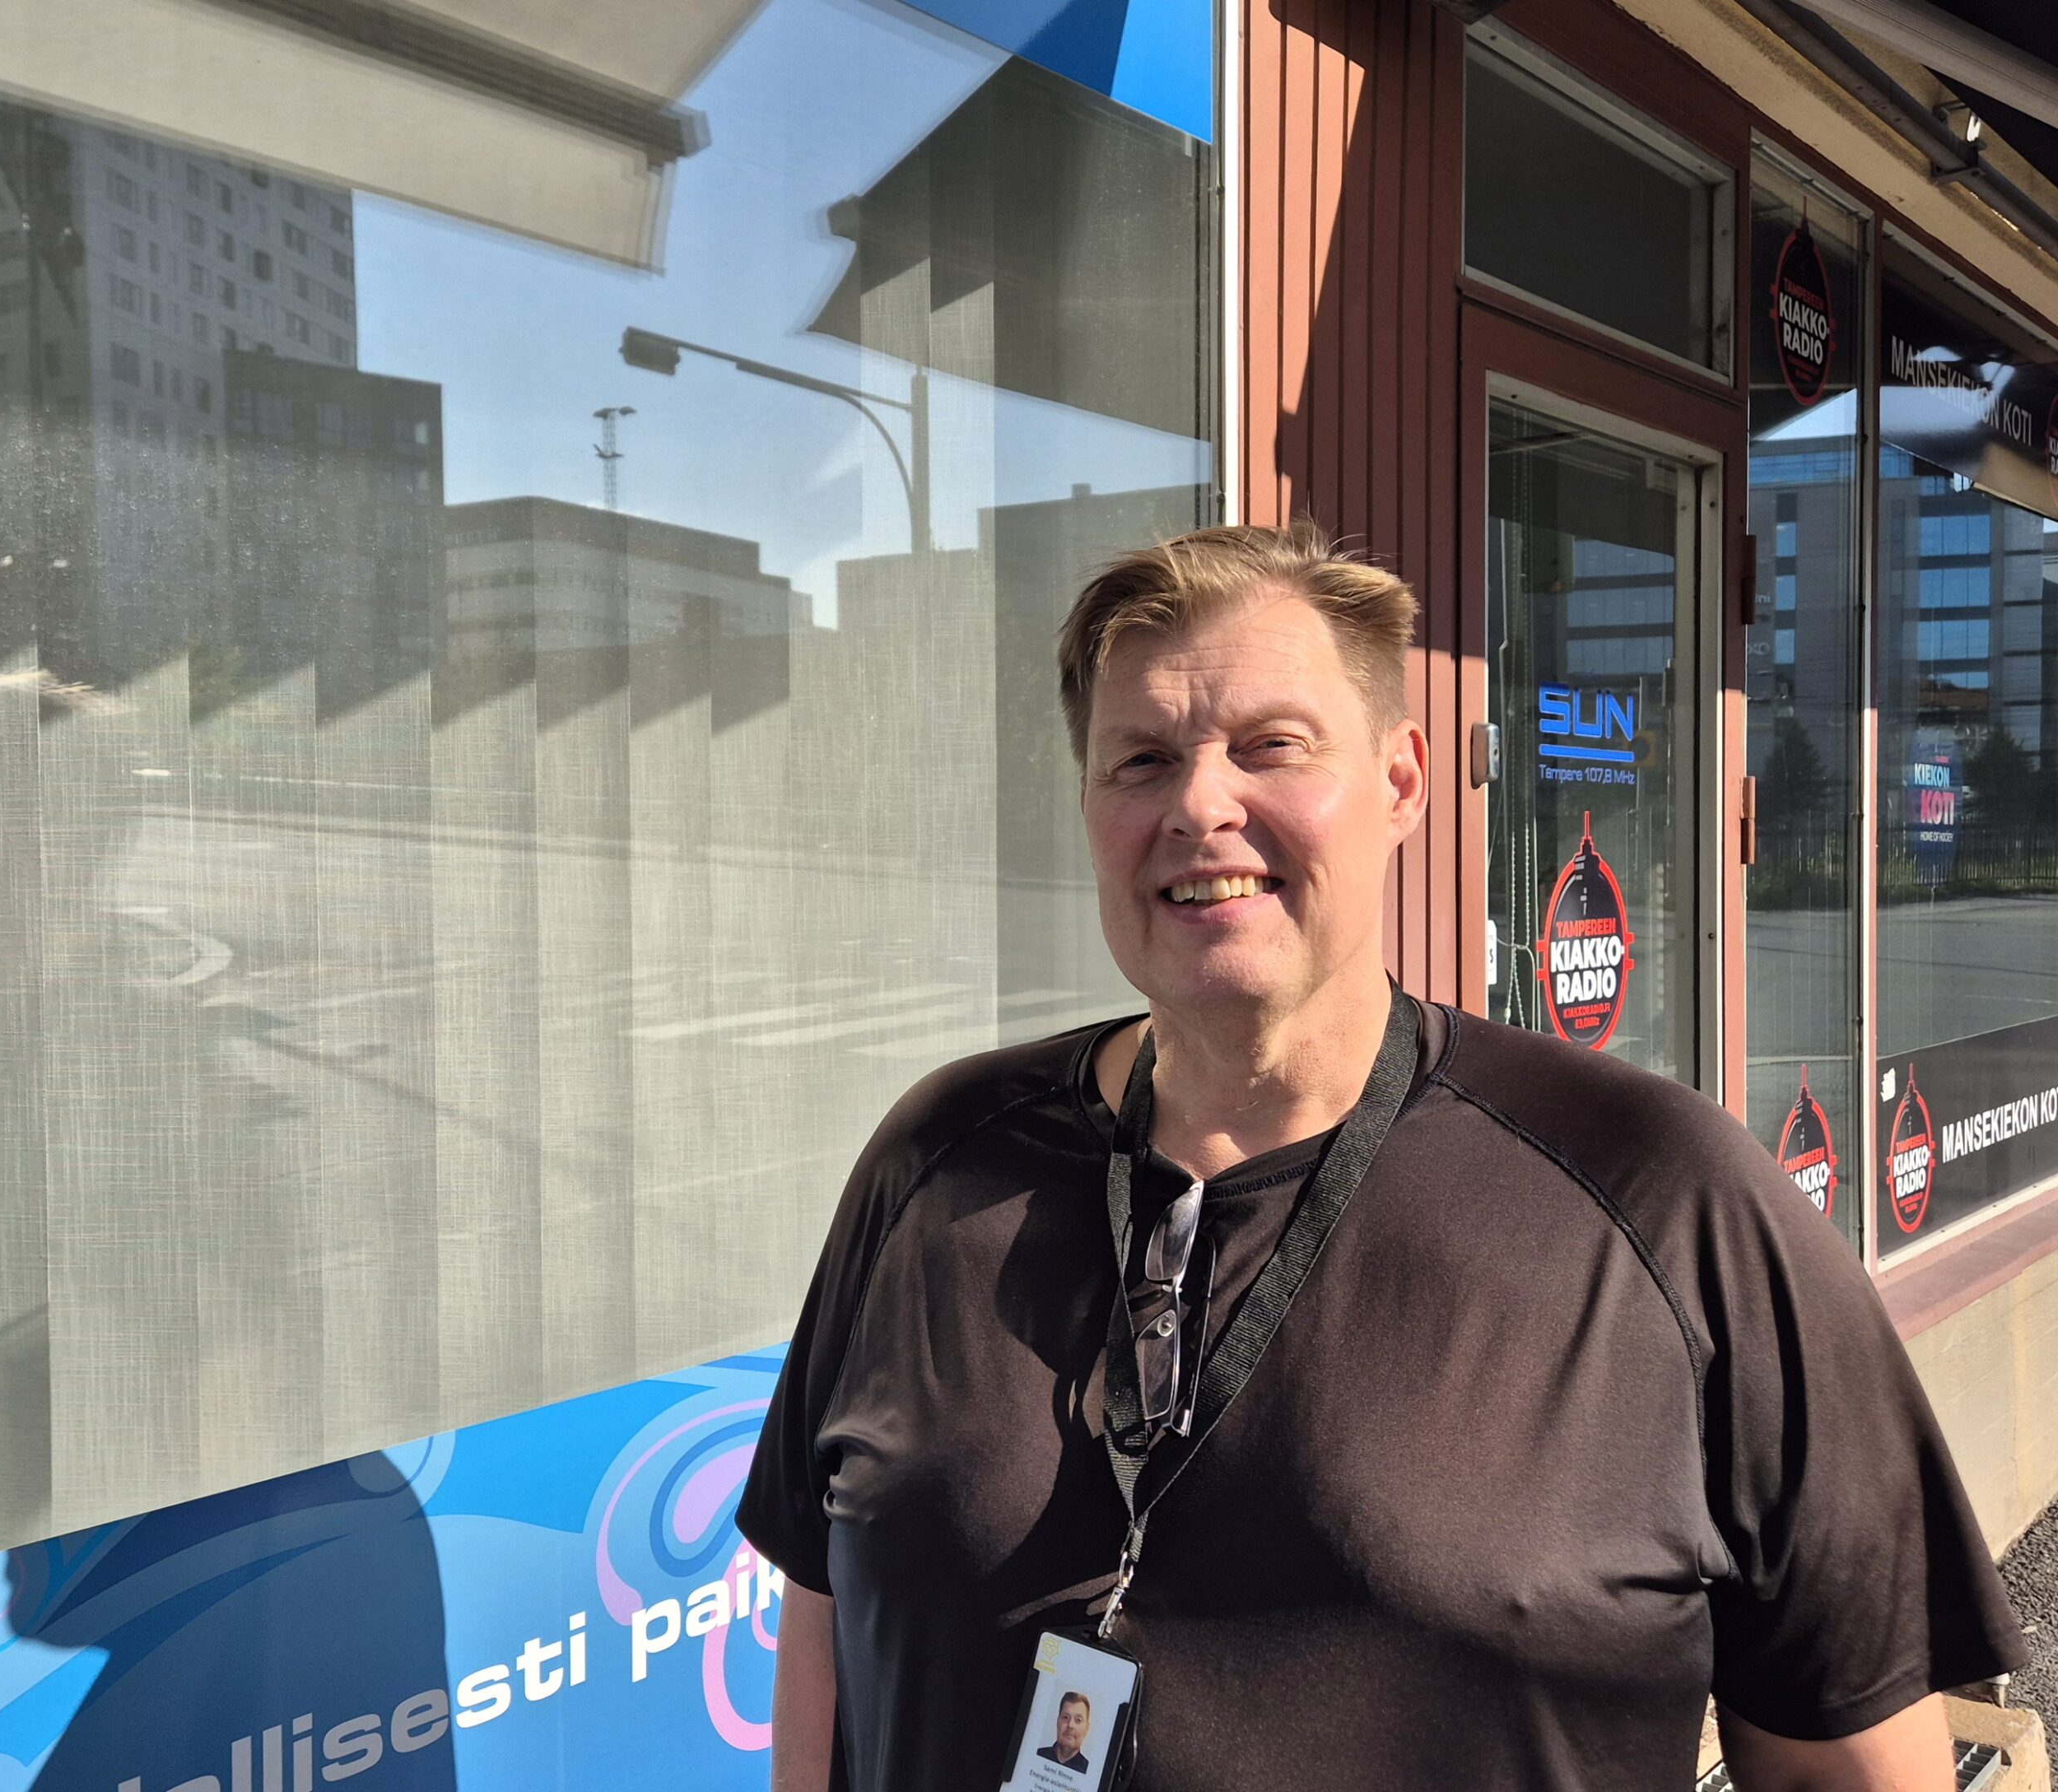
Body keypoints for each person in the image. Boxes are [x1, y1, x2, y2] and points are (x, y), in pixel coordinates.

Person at [738, 522, 2026, 1791]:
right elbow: (828, 1619)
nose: (1199, 804)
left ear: (1403, 782)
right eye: (1141, 760)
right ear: (1089, 804)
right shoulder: (937, 1163)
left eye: (1271, 746)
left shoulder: (1664, 1200)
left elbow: (1856, 1762)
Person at [1034, 1692, 1092, 1771]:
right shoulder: (1036, 1755)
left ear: (1087, 1728)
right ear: (1058, 1721)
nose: (1070, 1725)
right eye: (1066, 1717)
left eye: (1078, 1720)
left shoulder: (1089, 1771)